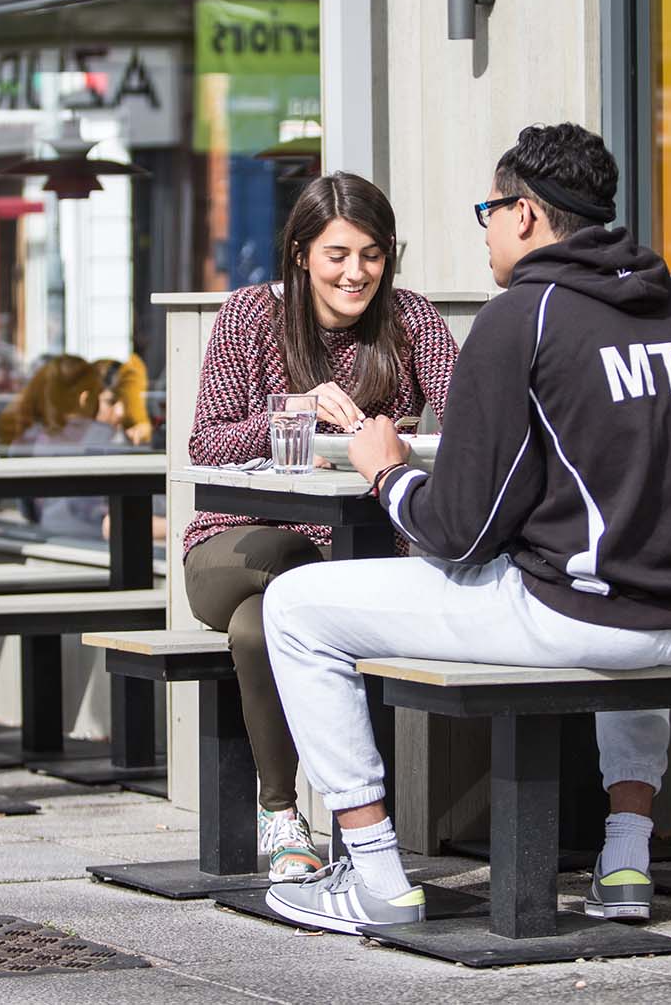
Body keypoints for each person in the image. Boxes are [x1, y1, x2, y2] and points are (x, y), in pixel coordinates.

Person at [260, 124, 671, 934]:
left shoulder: (520, 317)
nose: (487, 228)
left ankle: (376, 874)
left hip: (581, 619)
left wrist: (387, 471)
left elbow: (457, 532)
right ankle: (628, 852)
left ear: (525, 215)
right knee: (625, 573)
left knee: (292, 607)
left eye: (489, 210)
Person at [184, 172, 458, 883]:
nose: (356, 271)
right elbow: (206, 442)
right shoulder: (248, 314)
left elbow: (466, 418)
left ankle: (281, 814)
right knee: (282, 570)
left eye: (372, 253)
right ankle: (316, 817)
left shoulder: (411, 320)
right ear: (302, 252)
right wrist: (294, 409)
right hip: (234, 544)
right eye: (338, 254)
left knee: (258, 626)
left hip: (351, 553)